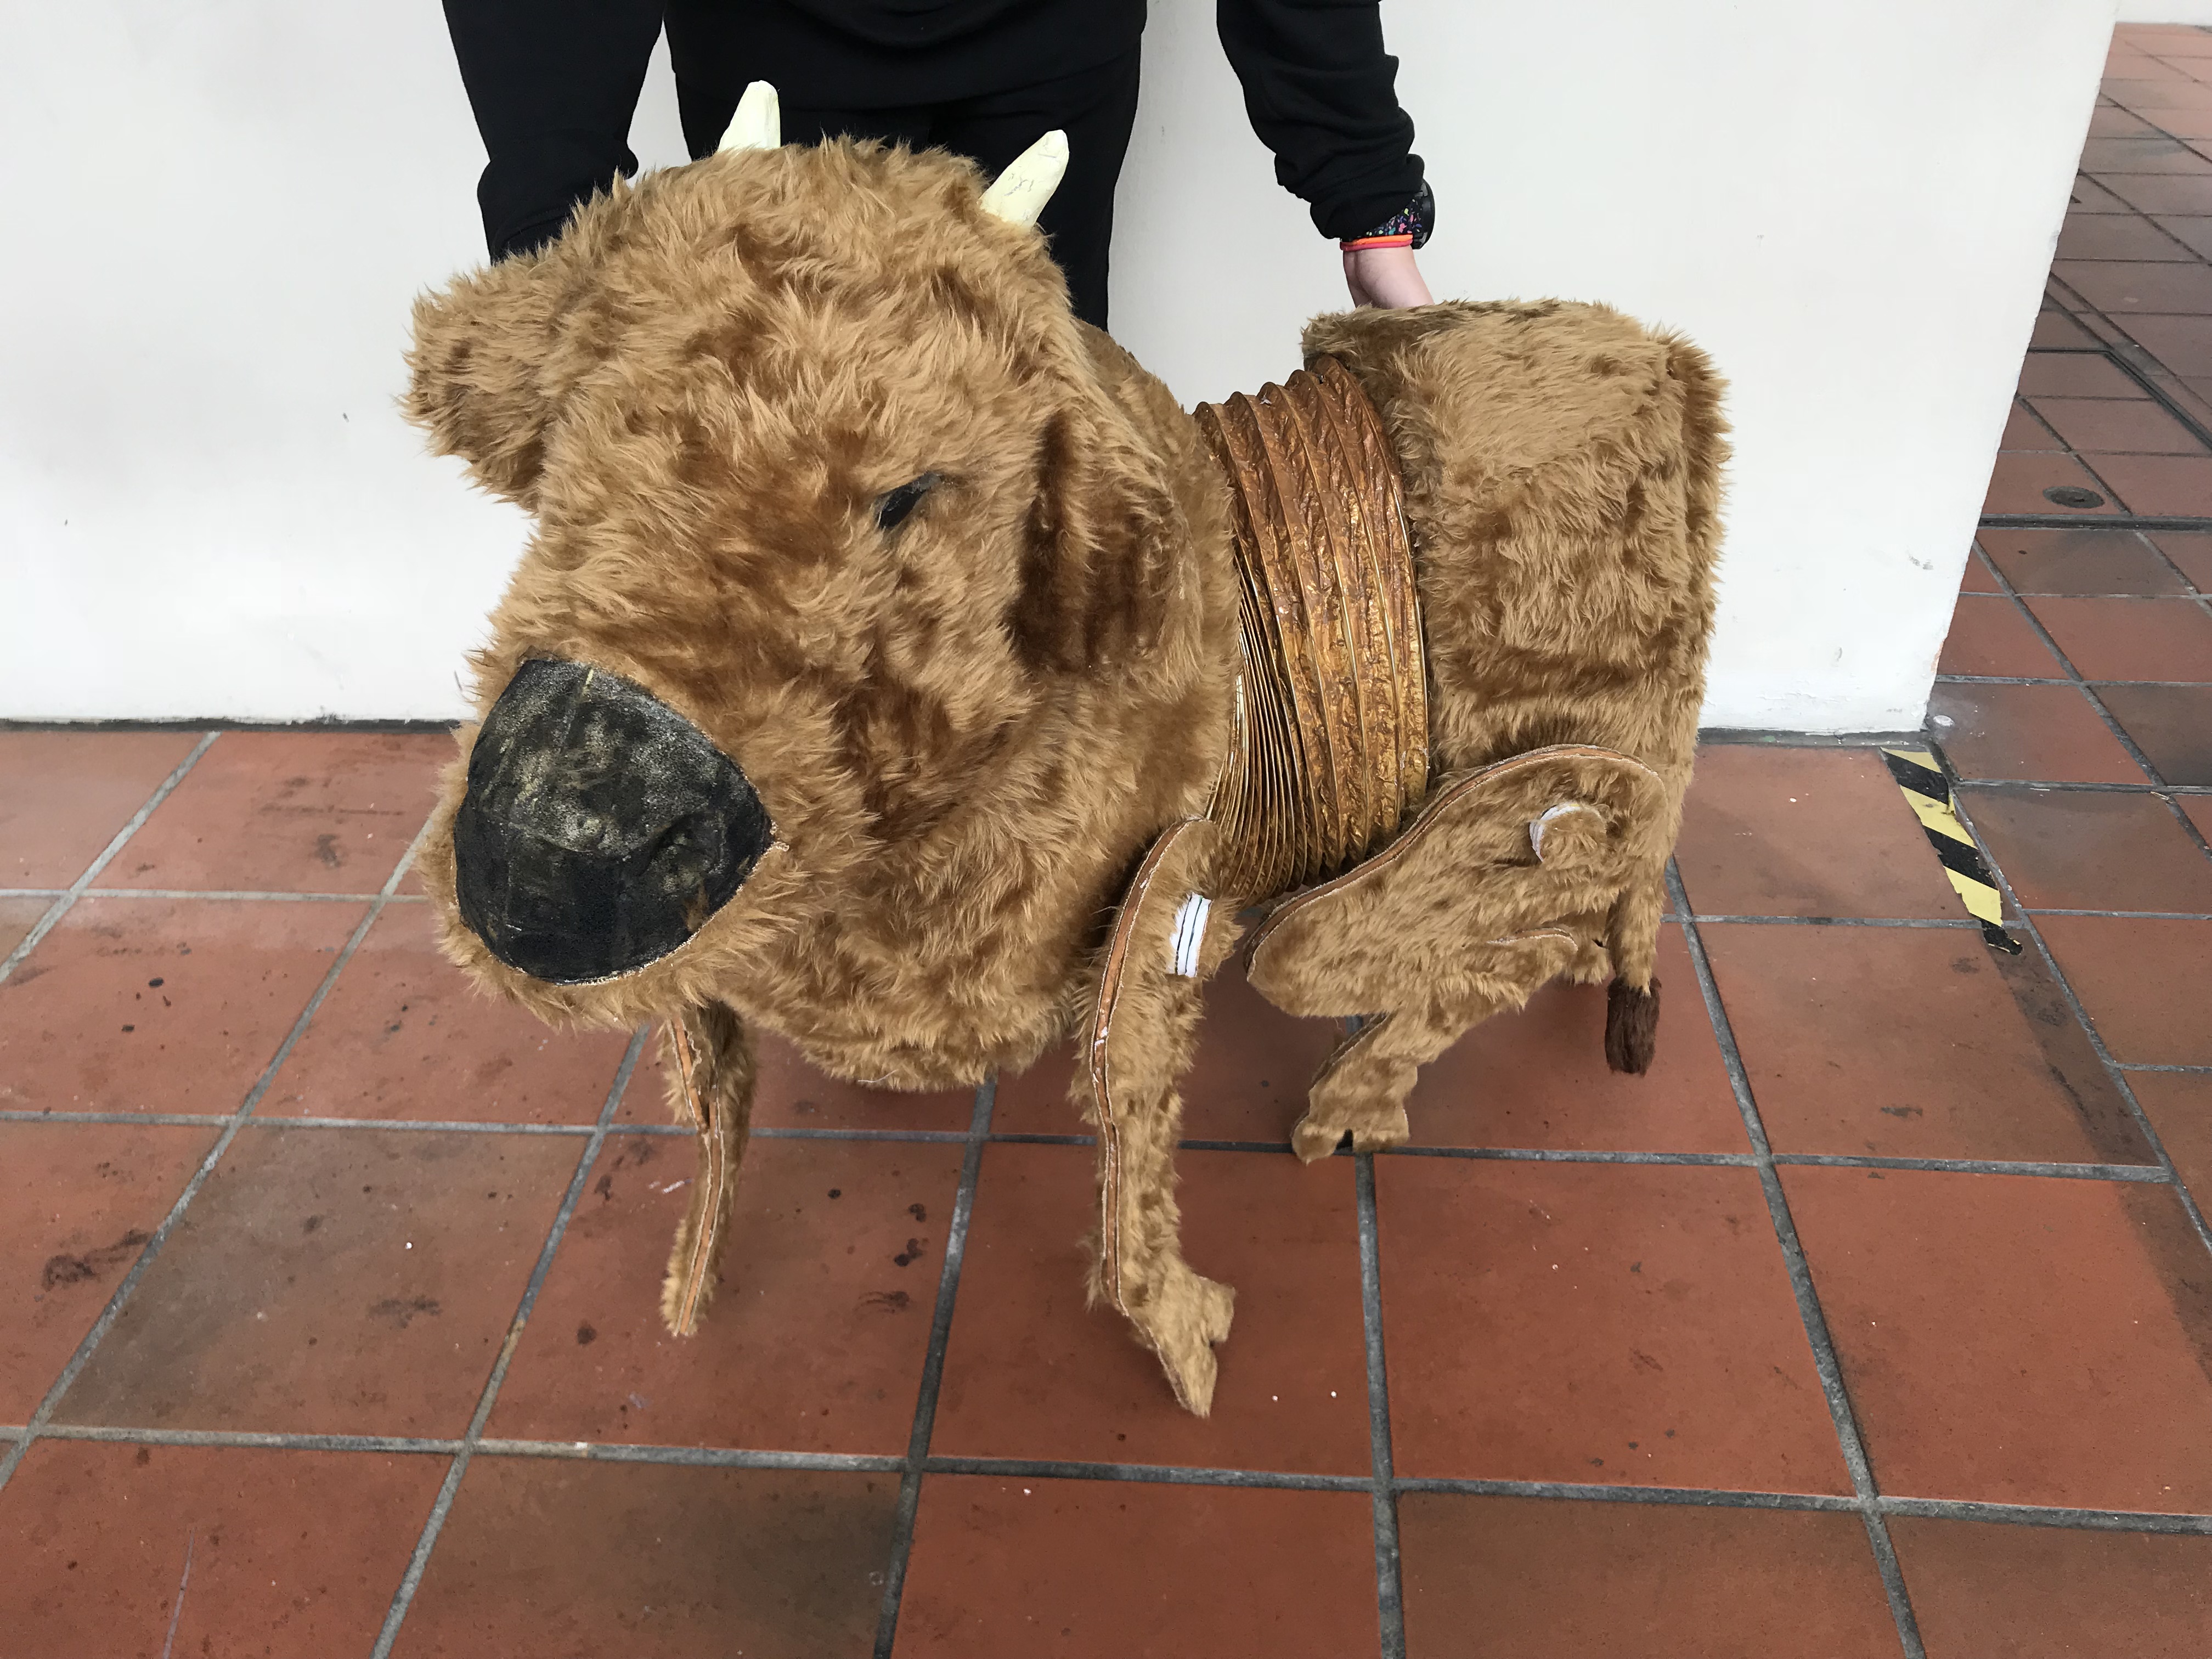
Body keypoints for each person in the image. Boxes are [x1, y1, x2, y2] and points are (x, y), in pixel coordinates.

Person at [441, 0, 1433, 331]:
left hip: (1053, 64)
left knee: (1035, 484)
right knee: (792, 481)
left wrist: (1369, 199)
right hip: (771, 64)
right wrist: (553, 233)